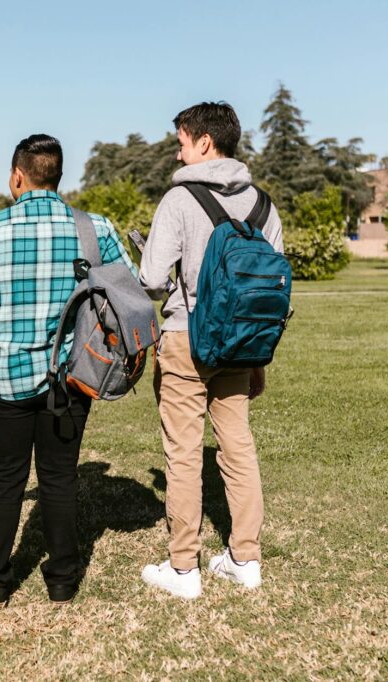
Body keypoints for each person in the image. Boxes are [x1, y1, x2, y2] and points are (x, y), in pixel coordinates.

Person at [0, 134, 136, 605]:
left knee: (5, 479)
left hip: (5, 375)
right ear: (56, 176)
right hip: (71, 375)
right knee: (60, 477)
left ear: (17, 175)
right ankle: (62, 579)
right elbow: (127, 293)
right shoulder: (95, 228)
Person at [138, 102, 284, 598]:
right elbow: (272, 290)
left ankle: (183, 568)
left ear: (204, 143)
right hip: (243, 344)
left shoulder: (179, 201)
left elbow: (154, 281)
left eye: (180, 142)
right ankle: (245, 558)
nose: (177, 152)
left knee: (183, 453)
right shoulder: (264, 205)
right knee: (238, 447)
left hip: (187, 339)